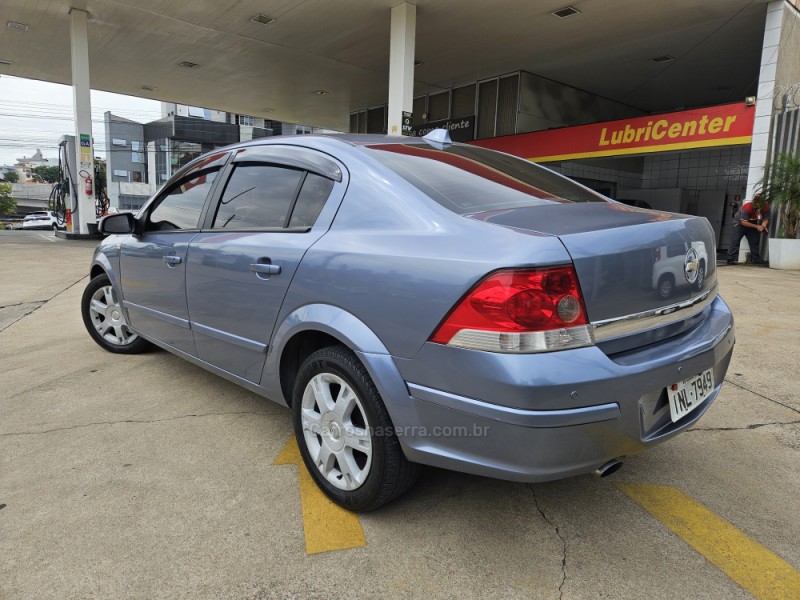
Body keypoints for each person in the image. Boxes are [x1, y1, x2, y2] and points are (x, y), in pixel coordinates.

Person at [726, 193, 769, 265]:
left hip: (752, 222)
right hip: (739, 223)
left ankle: (756, 260)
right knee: (735, 241)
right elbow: (743, 222)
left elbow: (765, 219)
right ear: (755, 203)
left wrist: (763, 226)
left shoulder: (766, 207)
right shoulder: (747, 207)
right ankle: (730, 259)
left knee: (755, 241)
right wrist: (757, 227)